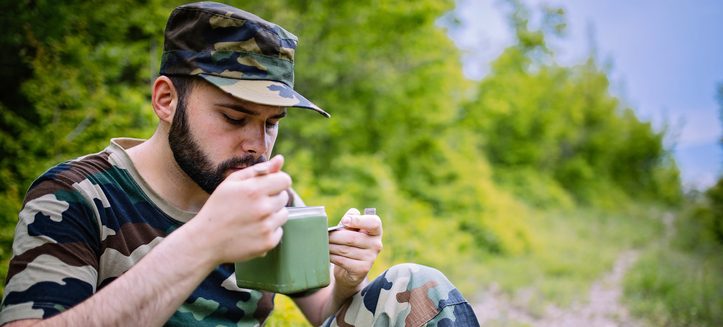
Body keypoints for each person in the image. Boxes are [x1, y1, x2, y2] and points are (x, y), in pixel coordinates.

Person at [0, 2, 480, 326]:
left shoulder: (265, 196)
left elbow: (320, 308)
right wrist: (205, 240)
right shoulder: (75, 197)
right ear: (166, 101)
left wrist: (348, 279)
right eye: (235, 116)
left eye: (272, 123)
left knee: (414, 286)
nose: (257, 145)